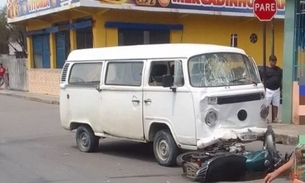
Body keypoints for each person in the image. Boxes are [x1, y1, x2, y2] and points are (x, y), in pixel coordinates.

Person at [263, 55, 282, 123]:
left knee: (276, 104)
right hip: (268, 89)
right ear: (270, 61)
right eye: (273, 61)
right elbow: (263, 79)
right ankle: (266, 118)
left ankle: (275, 118)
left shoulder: (278, 70)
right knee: (267, 104)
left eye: (275, 61)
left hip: (277, 89)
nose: (274, 63)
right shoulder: (266, 70)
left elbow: (280, 78)